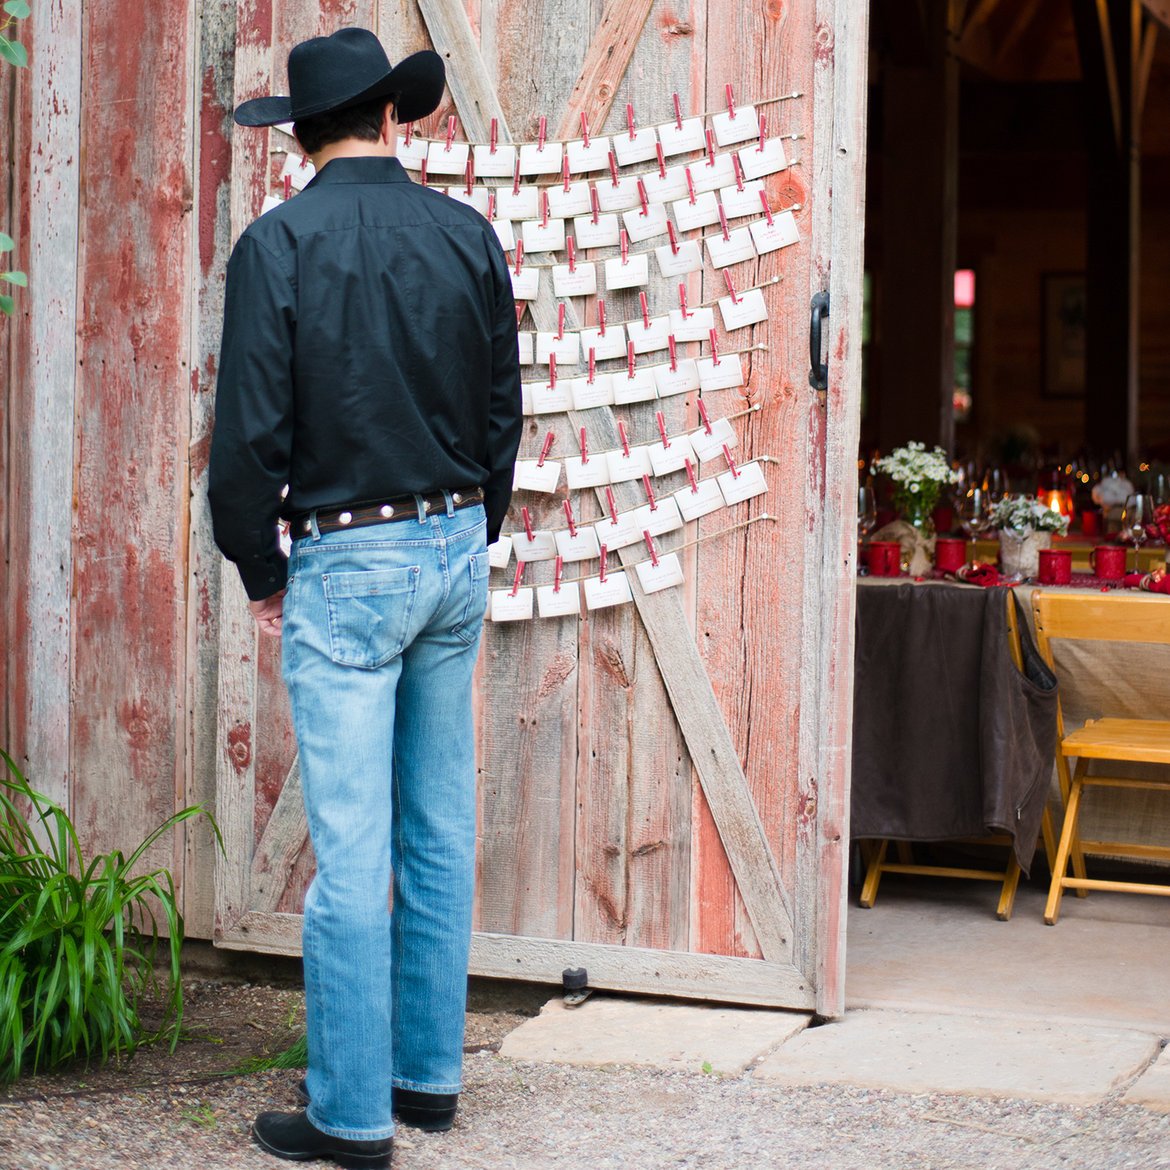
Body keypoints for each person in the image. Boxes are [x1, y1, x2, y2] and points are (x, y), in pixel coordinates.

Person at [208, 27, 522, 1169]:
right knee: (436, 830)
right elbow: (502, 416)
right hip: (450, 552)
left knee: (351, 852)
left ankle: (349, 1118)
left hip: (345, 560)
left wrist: (260, 566)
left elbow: (247, 439)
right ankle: (426, 1081)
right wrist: (469, 530)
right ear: (394, 117)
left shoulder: (277, 246)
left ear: (298, 136)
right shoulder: (466, 236)